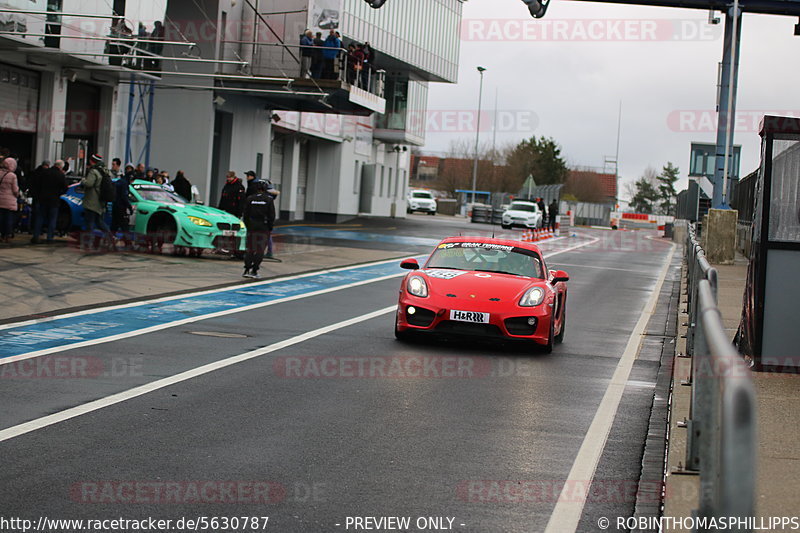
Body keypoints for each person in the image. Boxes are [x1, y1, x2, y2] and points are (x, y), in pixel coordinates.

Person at [241, 181, 276, 279]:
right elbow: (271, 215)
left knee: (250, 249)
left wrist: (247, 225)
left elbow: (246, 214)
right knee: (260, 250)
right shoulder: (268, 199)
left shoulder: (250, 198)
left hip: (252, 227)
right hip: (263, 228)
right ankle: (254, 270)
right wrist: (270, 227)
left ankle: (246, 269)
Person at [31, 160, 67, 244]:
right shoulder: (61, 175)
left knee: (40, 217)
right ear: (61, 167)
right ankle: (50, 237)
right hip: (54, 200)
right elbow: (65, 188)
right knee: (52, 219)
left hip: (42, 199)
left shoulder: (45, 173)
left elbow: (37, 184)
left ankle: (36, 236)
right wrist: (59, 193)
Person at [81, 154, 112, 242]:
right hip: (101, 201)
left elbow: (89, 184)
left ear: (92, 161)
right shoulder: (106, 171)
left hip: (92, 201)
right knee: (100, 222)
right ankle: (110, 236)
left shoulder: (93, 171)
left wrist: (83, 181)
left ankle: (89, 241)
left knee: (89, 222)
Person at [0, 157, 19, 243]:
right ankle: (7, 235)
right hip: (9, 201)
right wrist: (18, 194)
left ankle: (1, 235)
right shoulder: (12, 176)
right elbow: (15, 190)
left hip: (0, 200)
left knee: (1, 218)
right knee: (8, 219)